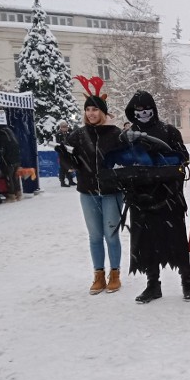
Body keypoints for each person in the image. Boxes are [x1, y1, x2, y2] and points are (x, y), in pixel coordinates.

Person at [123, 90, 190, 303]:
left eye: (146, 108)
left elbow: (182, 157)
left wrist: (164, 160)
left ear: (153, 109)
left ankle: (187, 281)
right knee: (146, 243)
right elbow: (121, 161)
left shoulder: (169, 131)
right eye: (138, 110)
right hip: (140, 199)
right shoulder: (128, 135)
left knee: (176, 240)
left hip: (168, 197)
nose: (143, 113)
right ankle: (152, 284)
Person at [59, 79, 127, 295]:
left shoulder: (115, 134)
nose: (91, 113)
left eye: (95, 109)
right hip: (87, 192)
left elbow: (125, 161)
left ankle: (114, 273)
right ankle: (98, 274)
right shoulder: (78, 135)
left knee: (111, 234)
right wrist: (65, 157)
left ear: (103, 112)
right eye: (88, 109)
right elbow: (73, 164)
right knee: (95, 236)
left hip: (111, 192)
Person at [0, 125, 22, 201]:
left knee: (9, 178)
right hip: (16, 159)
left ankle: (12, 195)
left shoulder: (1, 135)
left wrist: (1, 157)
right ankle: (18, 193)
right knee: (15, 177)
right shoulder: (10, 132)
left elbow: (1, 149)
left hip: (8, 160)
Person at [54, 120, 77, 187]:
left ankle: (70, 180)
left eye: (66, 126)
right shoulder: (58, 134)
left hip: (68, 152)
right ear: (60, 127)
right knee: (62, 168)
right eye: (63, 127)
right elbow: (59, 144)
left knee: (69, 167)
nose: (65, 128)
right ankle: (62, 182)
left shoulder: (68, 133)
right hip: (62, 153)